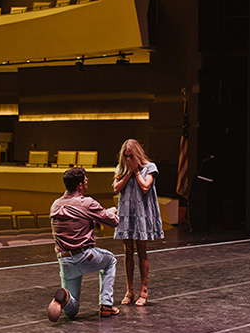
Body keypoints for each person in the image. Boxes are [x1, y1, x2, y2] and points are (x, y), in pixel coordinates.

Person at [47, 167, 121, 322]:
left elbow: (77, 222)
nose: (87, 181)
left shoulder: (55, 205)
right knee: (110, 261)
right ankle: (106, 305)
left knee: (71, 311)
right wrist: (112, 211)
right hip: (84, 256)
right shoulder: (87, 203)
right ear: (80, 185)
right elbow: (113, 222)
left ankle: (65, 297)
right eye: (86, 179)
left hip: (65, 261)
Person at [112, 138, 164, 307]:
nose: (128, 159)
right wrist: (128, 173)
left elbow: (145, 187)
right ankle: (130, 290)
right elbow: (116, 188)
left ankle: (144, 290)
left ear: (137, 154)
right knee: (128, 250)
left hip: (142, 213)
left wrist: (135, 172)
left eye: (131, 156)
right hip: (127, 213)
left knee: (142, 250)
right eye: (126, 156)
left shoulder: (149, 167)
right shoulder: (122, 168)